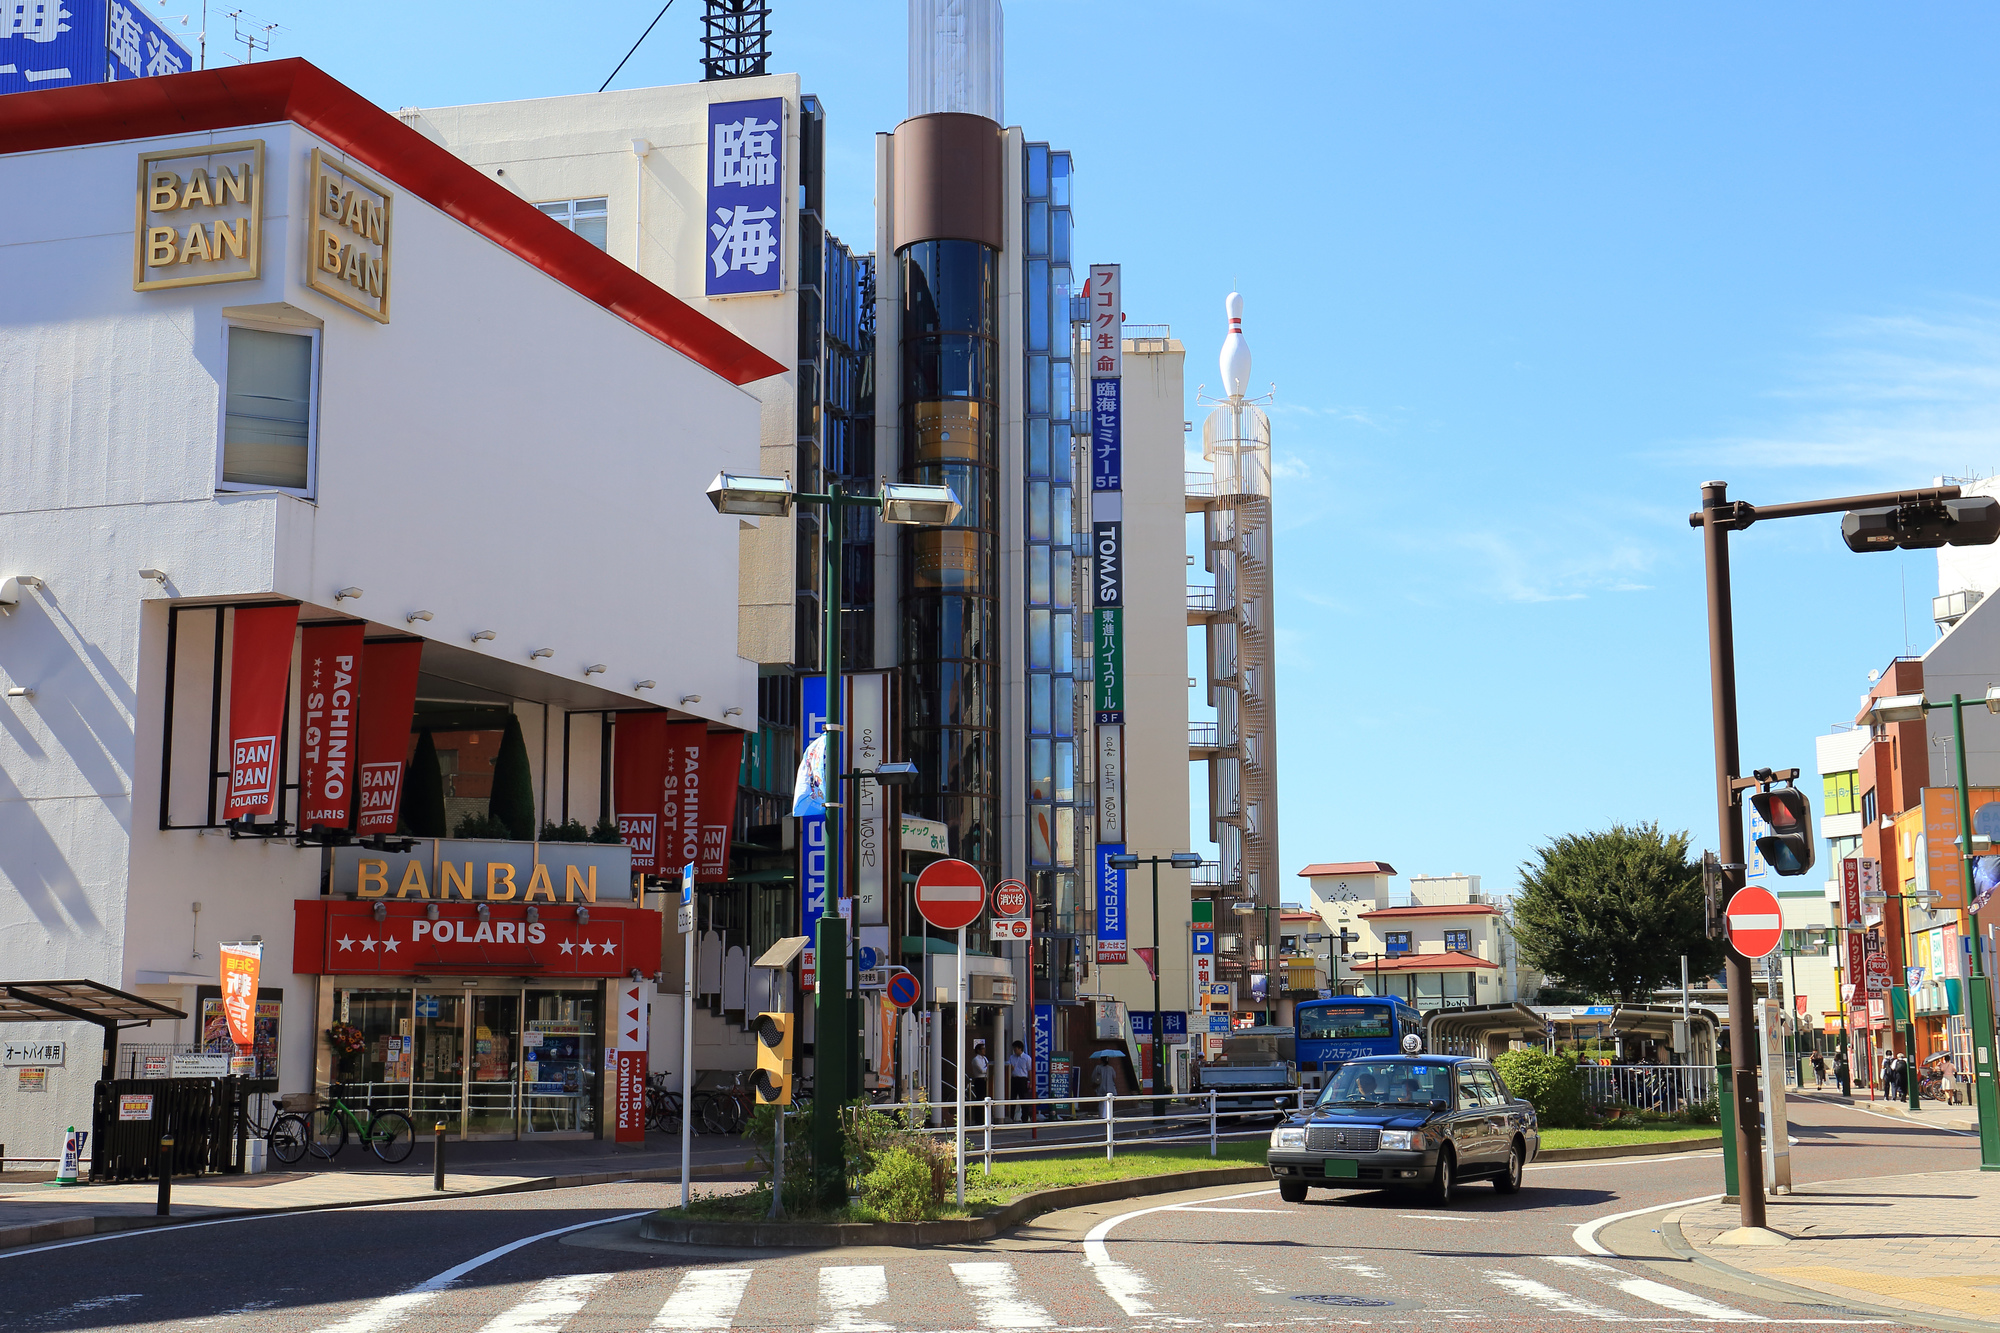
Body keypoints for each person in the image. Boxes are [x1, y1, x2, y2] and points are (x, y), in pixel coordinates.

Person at [1008, 1040, 1035, 1121]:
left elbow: (1030, 1071)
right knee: (1012, 1099)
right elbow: (1008, 1067)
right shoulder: (1011, 1057)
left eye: (1015, 1049)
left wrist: (1031, 1082)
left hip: (1023, 1079)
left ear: (1020, 1049)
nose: (1014, 1050)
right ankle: (1011, 1117)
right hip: (1014, 1079)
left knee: (1023, 1099)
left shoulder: (1027, 1058)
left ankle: (1025, 1118)